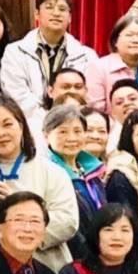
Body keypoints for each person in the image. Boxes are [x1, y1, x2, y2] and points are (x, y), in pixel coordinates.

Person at [0, 95, 81, 271]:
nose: (0, 133)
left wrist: (22, 214)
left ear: (21, 126)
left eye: (7, 124)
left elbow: (68, 221)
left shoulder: (51, 171)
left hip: (47, 267)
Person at [0, 0, 100, 126]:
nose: (56, 13)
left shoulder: (87, 55)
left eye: (62, 9)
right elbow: (16, 94)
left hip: (75, 123)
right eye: (49, 7)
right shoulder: (15, 52)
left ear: (70, 17)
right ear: (37, 14)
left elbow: (91, 95)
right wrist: (48, 120)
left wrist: (68, 119)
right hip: (29, 124)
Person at [41, 105, 105, 256]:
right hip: (66, 256)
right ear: (46, 135)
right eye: (63, 132)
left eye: (77, 131)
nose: (71, 138)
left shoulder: (93, 171)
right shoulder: (45, 173)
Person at [88, 14, 138, 112]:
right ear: (115, 41)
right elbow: (95, 110)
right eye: (129, 35)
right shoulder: (99, 67)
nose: (136, 40)